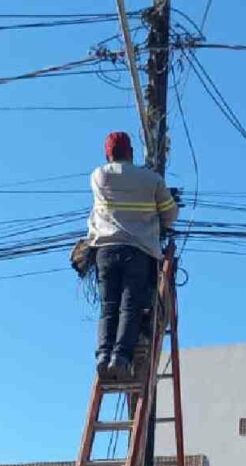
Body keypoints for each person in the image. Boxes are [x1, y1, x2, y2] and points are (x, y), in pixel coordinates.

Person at [86, 131, 179, 380]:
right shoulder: (151, 179)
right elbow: (170, 215)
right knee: (131, 306)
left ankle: (103, 356)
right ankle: (121, 357)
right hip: (138, 251)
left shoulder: (98, 176)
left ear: (108, 153)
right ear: (131, 152)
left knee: (109, 307)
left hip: (105, 251)